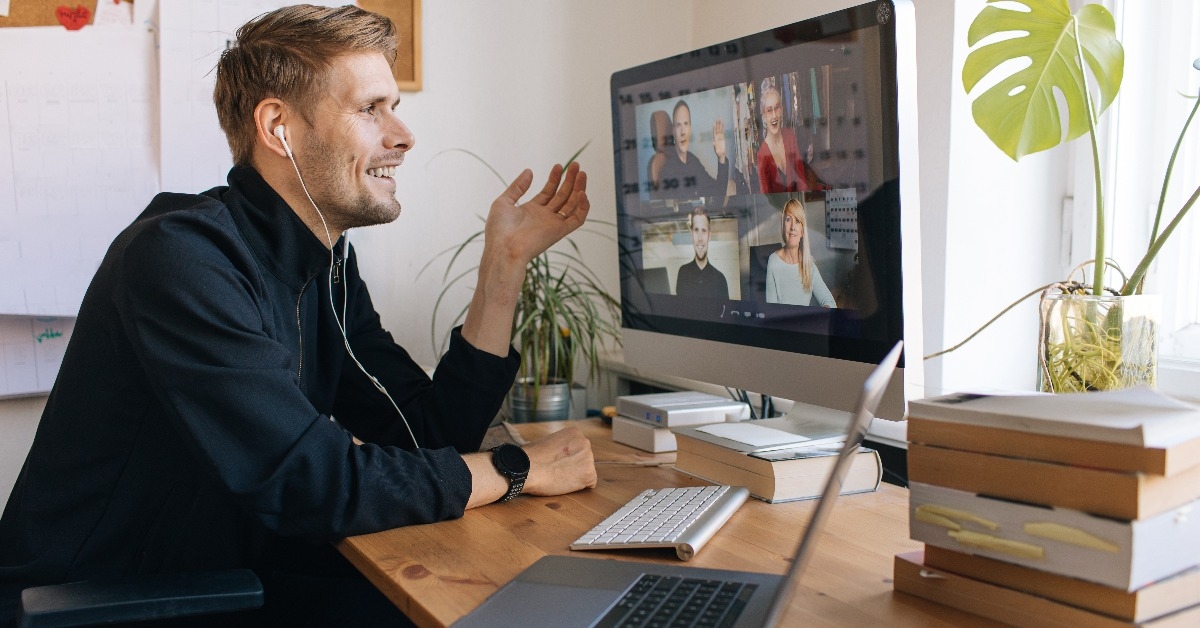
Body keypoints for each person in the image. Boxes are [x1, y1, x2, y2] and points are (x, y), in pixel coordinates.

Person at [0, 5, 597, 626]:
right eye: (371, 109)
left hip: (226, 573)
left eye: (395, 105)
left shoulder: (328, 267)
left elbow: (426, 435)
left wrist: (504, 265)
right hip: (102, 604)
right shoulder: (179, 258)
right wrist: (517, 467)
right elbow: (312, 482)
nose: (403, 134)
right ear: (278, 127)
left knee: (500, 597)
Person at [755, 78, 825, 194]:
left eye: (777, 108)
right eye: (769, 110)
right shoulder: (762, 155)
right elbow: (767, 197)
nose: (774, 116)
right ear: (763, 115)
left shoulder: (789, 136)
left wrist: (803, 202)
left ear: (781, 109)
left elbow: (800, 174)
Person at [652, 99, 731, 199]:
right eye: (678, 125)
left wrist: (721, 157)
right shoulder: (667, 172)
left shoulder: (693, 160)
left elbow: (719, 191)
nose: (683, 132)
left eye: (686, 124)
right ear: (673, 131)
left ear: (690, 128)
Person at [765, 198, 836, 307]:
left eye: (797, 221)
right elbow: (770, 310)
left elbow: (829, 301)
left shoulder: (808, 263)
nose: (793, 227)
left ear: (802, 231)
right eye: (788, 219)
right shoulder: (773, 261)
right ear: (783, 226)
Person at [674, 207, 729, 299]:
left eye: (703, 230)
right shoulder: (683, 273)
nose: (700, 238)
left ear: (709, 235)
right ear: (692, 234)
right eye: (696, 230)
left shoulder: (720, 279)